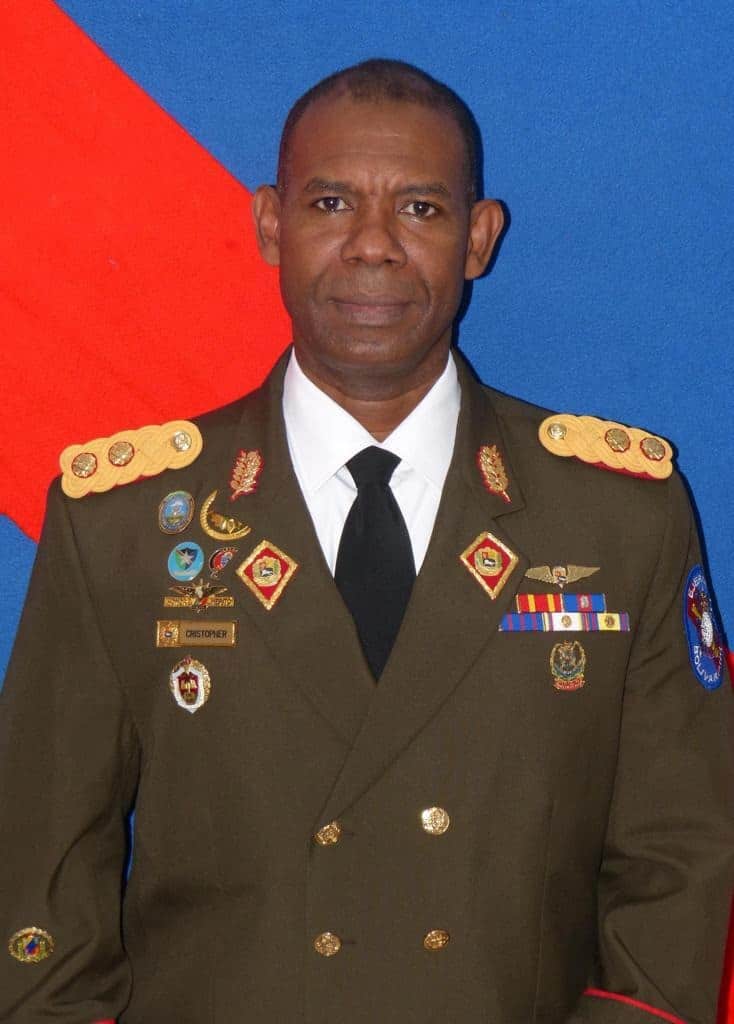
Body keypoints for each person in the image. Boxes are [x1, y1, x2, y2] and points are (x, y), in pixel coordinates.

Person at [1, 58, 732, 1024]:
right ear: (271, 226)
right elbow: (40, 873)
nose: (374, 245)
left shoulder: (616, 519)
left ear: (479, 238)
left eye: (421, 209)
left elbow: (680, 860)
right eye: (332, 203)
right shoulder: (124, 525)